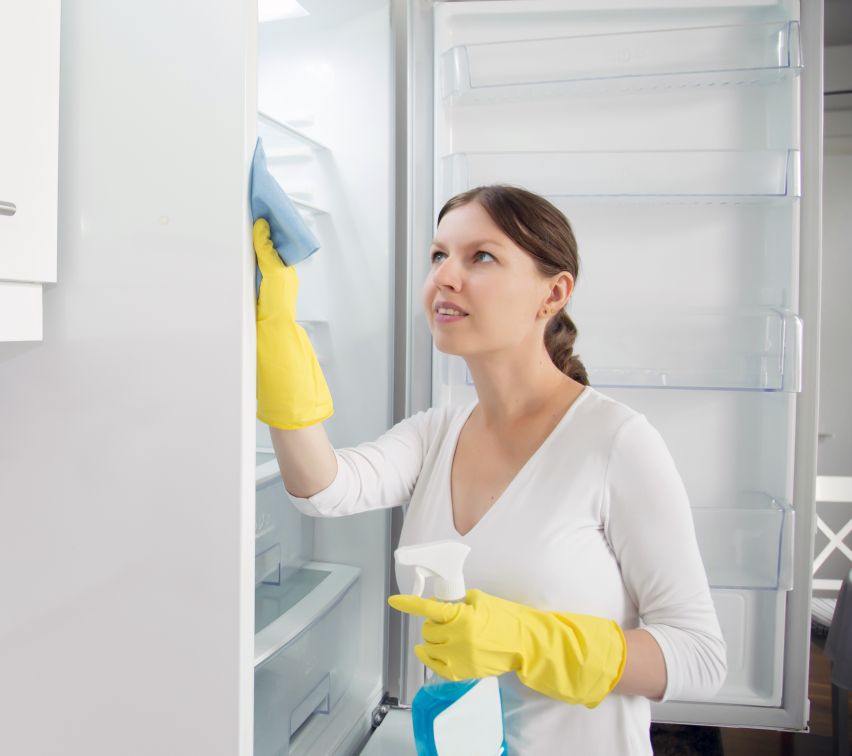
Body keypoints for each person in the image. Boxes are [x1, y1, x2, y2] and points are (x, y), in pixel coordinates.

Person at [253, 184, 727, 755]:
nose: (444, 277)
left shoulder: (616, 442)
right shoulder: (435, 434)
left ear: (553, 293)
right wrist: (277, 334)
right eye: (438, 255)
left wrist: (530, 641)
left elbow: (700, 657)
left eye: (480, 256)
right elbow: (322, 487)